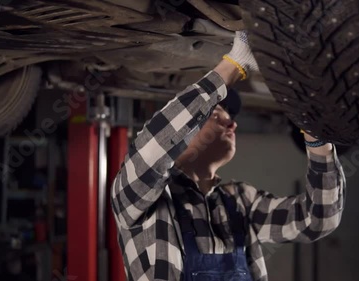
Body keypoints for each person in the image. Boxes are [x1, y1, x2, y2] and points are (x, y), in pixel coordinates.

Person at [110, 31, 346, 281]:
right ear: (187, 128)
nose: (232, 125)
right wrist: (233, 66)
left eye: (231, 119)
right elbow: (155, 143)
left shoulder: (241, 201)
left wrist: (314, 132)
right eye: (219, 114)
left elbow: (320, 217)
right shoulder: (141, 200)